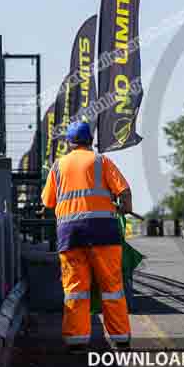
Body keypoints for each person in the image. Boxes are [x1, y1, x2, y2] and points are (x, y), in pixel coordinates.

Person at [41, 121, 132, 352]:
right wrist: (124, 208)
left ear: (69, 143)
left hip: (70, 234)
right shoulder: (102, 161)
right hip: (104, 232)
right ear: (90, 140)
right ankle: (120, 337)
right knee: (112, 287)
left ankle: (76, 340)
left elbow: (48, 202)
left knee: (76, 288)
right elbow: (125, 192)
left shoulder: (58, 166)